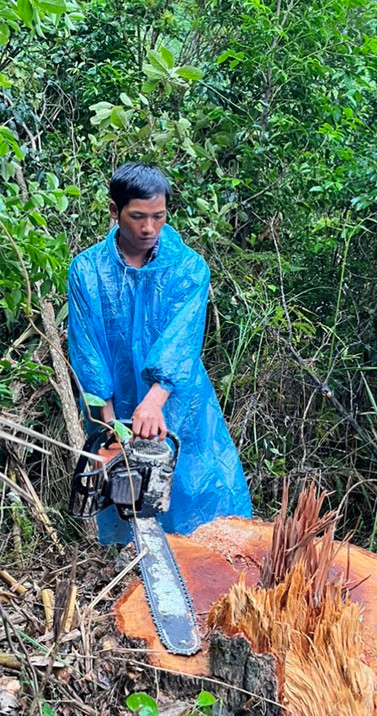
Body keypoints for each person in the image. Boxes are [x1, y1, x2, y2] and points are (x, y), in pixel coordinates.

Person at [67, 162, 252, 543]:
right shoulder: (86, 270)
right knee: (128, 498)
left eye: (158, 216)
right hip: (114, 404)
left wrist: (153, 403)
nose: (149, 228)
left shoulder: (188, 269)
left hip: (179, 404)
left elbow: (180, 342)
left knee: (199, 494)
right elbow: (89, 352)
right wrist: (111, 428)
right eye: (137, 217)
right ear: (114, 211)